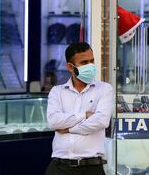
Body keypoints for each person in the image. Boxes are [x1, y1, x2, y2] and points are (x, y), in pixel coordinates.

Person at [45, 42, 114, 175]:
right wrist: (84, 115)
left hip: (90, 168)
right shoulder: (57, 92)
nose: (90, 66)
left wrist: (68, 129)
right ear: (70, 67)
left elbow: (101, 121)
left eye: (92, 61)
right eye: (84, 62)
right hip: (59, 167)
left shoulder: (104, 89)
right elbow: (54, 122)